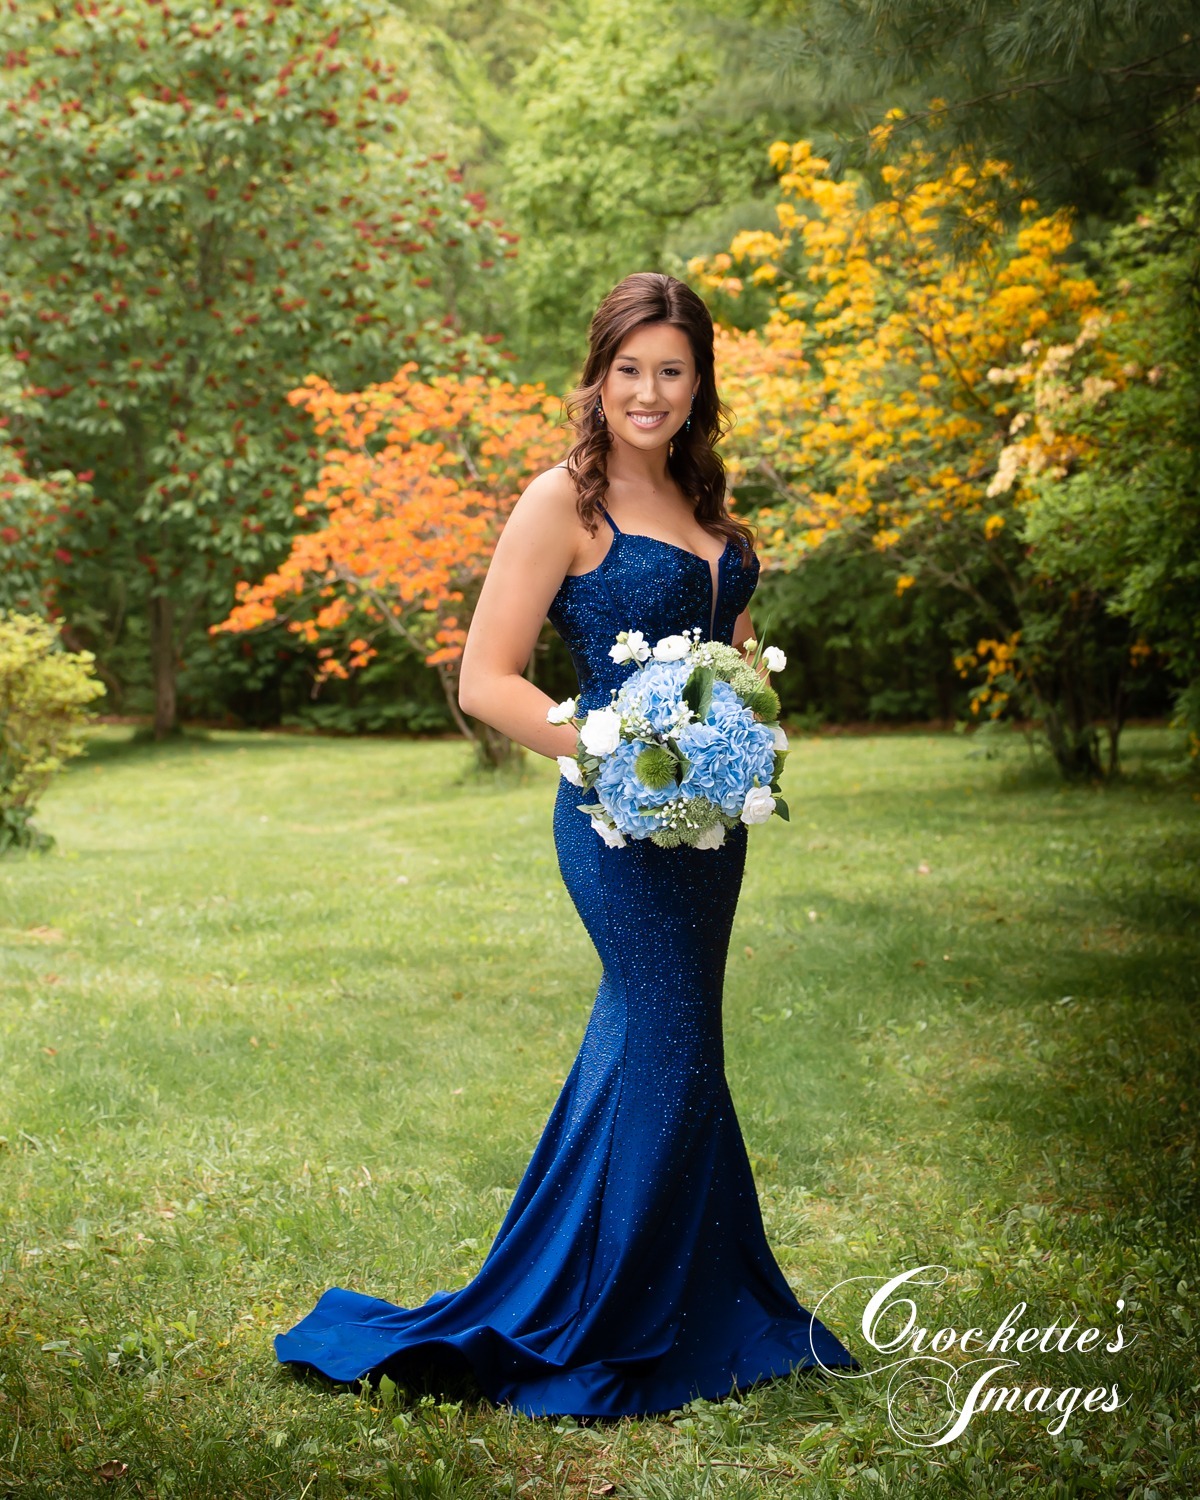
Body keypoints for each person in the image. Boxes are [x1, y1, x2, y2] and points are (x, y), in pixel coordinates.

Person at [274, 271, 858, 1419]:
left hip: (710, 826)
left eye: (672, 369)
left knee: (656, 1037)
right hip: (611, 818)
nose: (650, 391)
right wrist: (611, 749)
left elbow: (732, 649)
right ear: (597, 377)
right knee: (674, 1037)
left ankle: (681, 1291)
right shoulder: (564, 503)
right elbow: (484, 681)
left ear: (700, 383)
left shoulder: (708, 500)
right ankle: (614, 1316)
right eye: (629, 368)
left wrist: (738, 735)